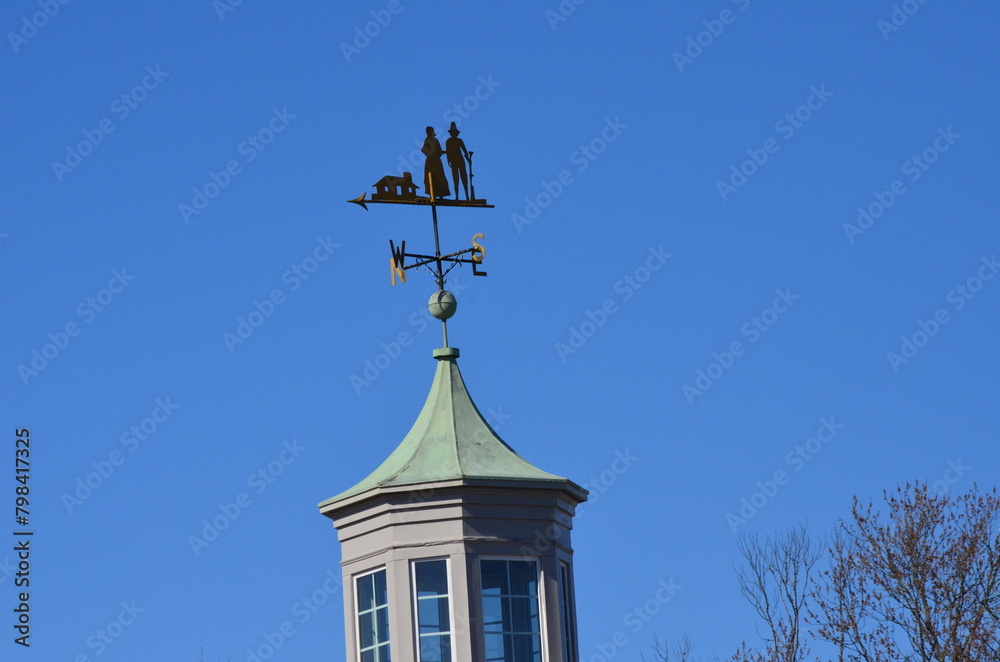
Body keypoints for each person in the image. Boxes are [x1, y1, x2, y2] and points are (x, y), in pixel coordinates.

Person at [421, 126, 450, 199]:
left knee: (440, 177)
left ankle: (441, 195)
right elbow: (423, 149)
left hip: (437, 161)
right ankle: (432, 194)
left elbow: (439, 151)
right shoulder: (428, 140)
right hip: (431, 162)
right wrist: (430, 154)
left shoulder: (436, 140)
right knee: (431, 177)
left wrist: (446, 151)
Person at [445, 122, 471, 200]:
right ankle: (457, 196)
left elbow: (465, 151)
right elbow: (448, 152)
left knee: (464, 178)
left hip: (460, 160)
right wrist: (448, 160)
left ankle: (467, 196)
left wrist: (468, 159)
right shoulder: (448, 141)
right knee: (455, 179)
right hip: (454, 161)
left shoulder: (459, 141)